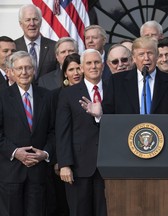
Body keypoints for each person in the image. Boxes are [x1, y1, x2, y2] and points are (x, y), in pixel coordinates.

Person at [0, 51, 54, 216]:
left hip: (38, 174)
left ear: (34, 70)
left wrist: (45, 153)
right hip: (11, 173)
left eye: (28, 68)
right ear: (12, 72)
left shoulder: (47, 96)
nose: (24, 72)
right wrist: (15, 153)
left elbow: (53, 131)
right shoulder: (2, 97)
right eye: (20, 68)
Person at [56, 49, 107, 216]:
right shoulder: (68, 94)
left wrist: (100, 117)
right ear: (82, 68)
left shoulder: (113, 89)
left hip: (109, 165)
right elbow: (62, 131)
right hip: (79, 166)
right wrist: (64, 164)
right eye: (89, 63)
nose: (93, 66)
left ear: (103, 65)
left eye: (97, 62)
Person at [48, 53, 83, 216]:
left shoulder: (92, 92)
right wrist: (59, 161)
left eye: (78, 68)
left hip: (85, 160)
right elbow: (55, 130)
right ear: (65, 74)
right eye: (71, 69)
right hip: (64, 162)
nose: (75, 73)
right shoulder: (56, 96)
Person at [15, 4, 57, 82]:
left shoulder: (54, 46)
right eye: (28, 20)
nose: (32, 24)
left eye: (35, 19)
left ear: (40, 22)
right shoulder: (14, 47)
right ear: (21, 24)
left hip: (48, 92)